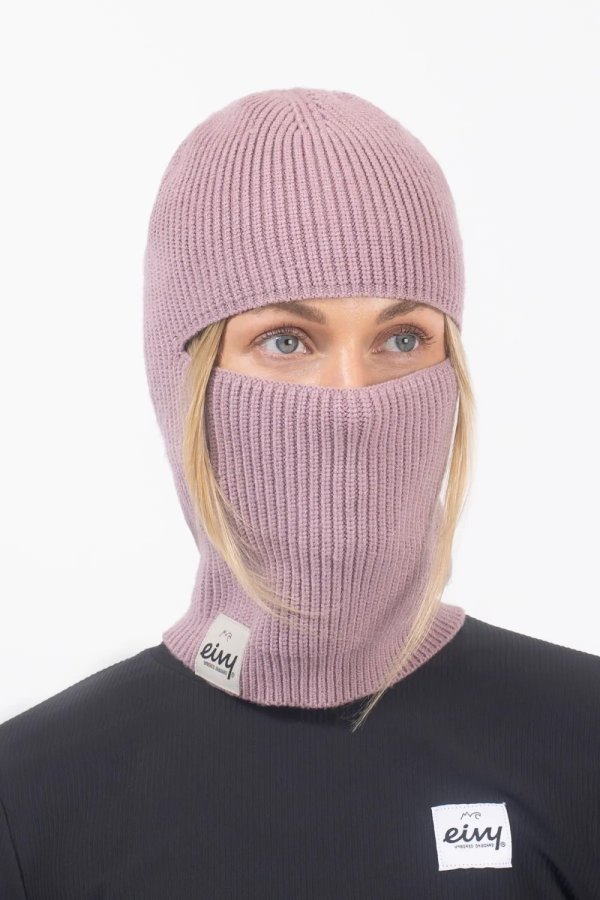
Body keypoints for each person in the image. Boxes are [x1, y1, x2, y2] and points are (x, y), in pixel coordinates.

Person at [1, 86, 599, 899]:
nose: (351, 397)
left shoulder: (582, 742)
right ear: (183, 381)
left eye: (402, 338)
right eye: (286, 340)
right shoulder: (32, 800)